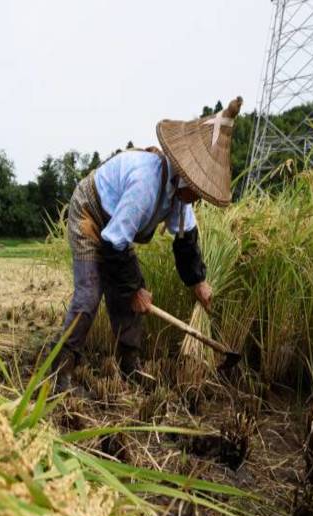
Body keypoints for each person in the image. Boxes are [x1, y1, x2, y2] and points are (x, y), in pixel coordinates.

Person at [54, 96, 243, 391]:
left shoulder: (180, 194)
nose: (199, 199)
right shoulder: (146, 183)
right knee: (91, 294)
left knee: (129, 294)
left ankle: (130, 366)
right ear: (186, 179)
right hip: (91, 215)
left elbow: (185, 240)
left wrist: (199, 282)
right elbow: (115, 242)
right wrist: (134, 291)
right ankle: (61, 369)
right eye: (198, 192)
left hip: (116, 228)